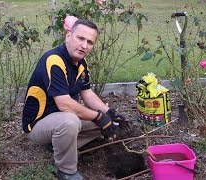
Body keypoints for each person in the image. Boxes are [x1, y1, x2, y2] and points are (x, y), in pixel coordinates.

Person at [21, 19, 129, 180]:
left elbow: (87, 93)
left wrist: (109, 113)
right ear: (68, 36)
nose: (84, 45)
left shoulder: (81, 64)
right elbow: (64, 104)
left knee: (107, 122)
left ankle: (58, 145)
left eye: (90, 42)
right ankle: (67, 171)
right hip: (38, 125)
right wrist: (98, 117)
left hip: (62, 117)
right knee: (70, 121)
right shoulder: (54, 60)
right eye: (80, 38)